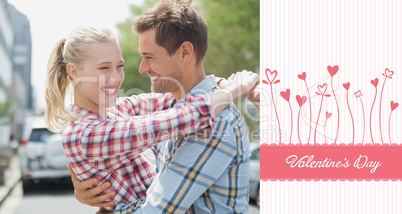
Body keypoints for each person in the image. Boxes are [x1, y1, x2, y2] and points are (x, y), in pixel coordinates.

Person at [70, 1, 260, 213]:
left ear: (185, 53)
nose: (142, 68)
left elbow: (155, 210)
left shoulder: (215, 121)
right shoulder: (167, 108)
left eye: (149, 57)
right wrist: (92, 175)